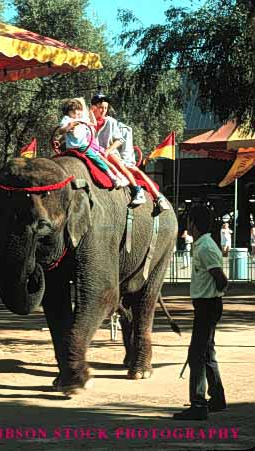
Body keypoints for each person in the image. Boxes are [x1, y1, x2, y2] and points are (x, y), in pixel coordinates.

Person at [173, 205, 228, 421]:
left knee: (196, 354)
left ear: (193, 224)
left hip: (207, 306)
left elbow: (221, 279)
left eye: (188, 221)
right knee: (207, 352)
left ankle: (198, 404)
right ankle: (217, 398)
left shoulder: (205, 247)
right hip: (206, 305)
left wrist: (214, 294)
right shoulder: (202, 244)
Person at [90, 93, 169, 209]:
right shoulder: (86, 120)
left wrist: (108, 150)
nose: (103, 110)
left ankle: (146, 193)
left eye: (106, 108)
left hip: (109, 153)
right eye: (101, 107)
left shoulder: (110, 122)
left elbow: (120, 140)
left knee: (130, 169)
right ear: (93, 107)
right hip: (93, 153)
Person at [59, 98, 128, 189]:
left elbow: (93, 124)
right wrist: (69, 126)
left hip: (83, 146)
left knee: (97, 159)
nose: (78, 114)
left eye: (80, 112)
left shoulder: (81, 119)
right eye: (76, 112)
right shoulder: (67, 119)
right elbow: (61, 131)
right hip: (71, 147)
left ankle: (112, 177)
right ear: (69, 112)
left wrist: (91, 112)